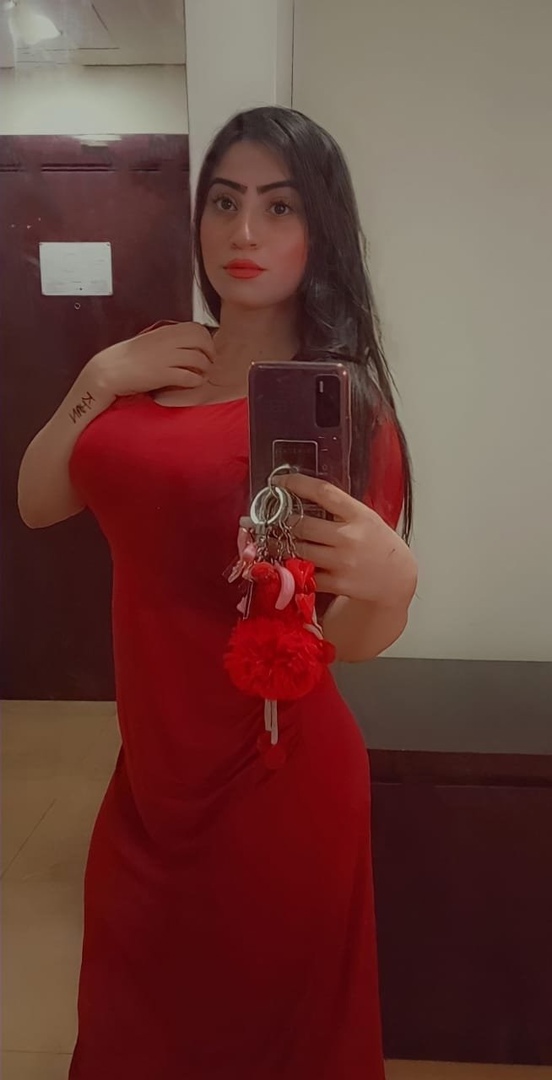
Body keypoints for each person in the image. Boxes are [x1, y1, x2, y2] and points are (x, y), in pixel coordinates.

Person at [18, 106, 417, 1080]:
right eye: (225, 202)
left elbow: (342, 639)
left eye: (279, 207)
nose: (244, 231)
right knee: (131, 1029)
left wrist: (395, 586)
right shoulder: (153, 359)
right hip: (149, 779)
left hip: (270, 779)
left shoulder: (340, 407)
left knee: (266, 1044)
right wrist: (98, 375)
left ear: (320, 228)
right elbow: (37, 500)